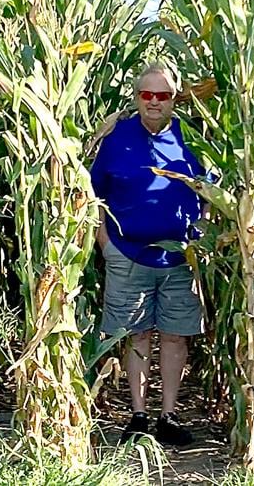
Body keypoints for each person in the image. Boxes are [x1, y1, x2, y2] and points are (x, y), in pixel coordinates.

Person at [91, 63, 207, 447]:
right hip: (127, 254)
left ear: (175, 98)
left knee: (175, 338)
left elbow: (213, 193)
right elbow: (91, 194)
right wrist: (103, 242)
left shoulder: (193, 139)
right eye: (147, 95)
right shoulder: (115, 137)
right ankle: (139, 416)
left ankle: (168, 416)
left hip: (179, 259)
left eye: (163, 95)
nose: (154, 102)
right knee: (136, 336)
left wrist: (201, 239)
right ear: (137, 97)